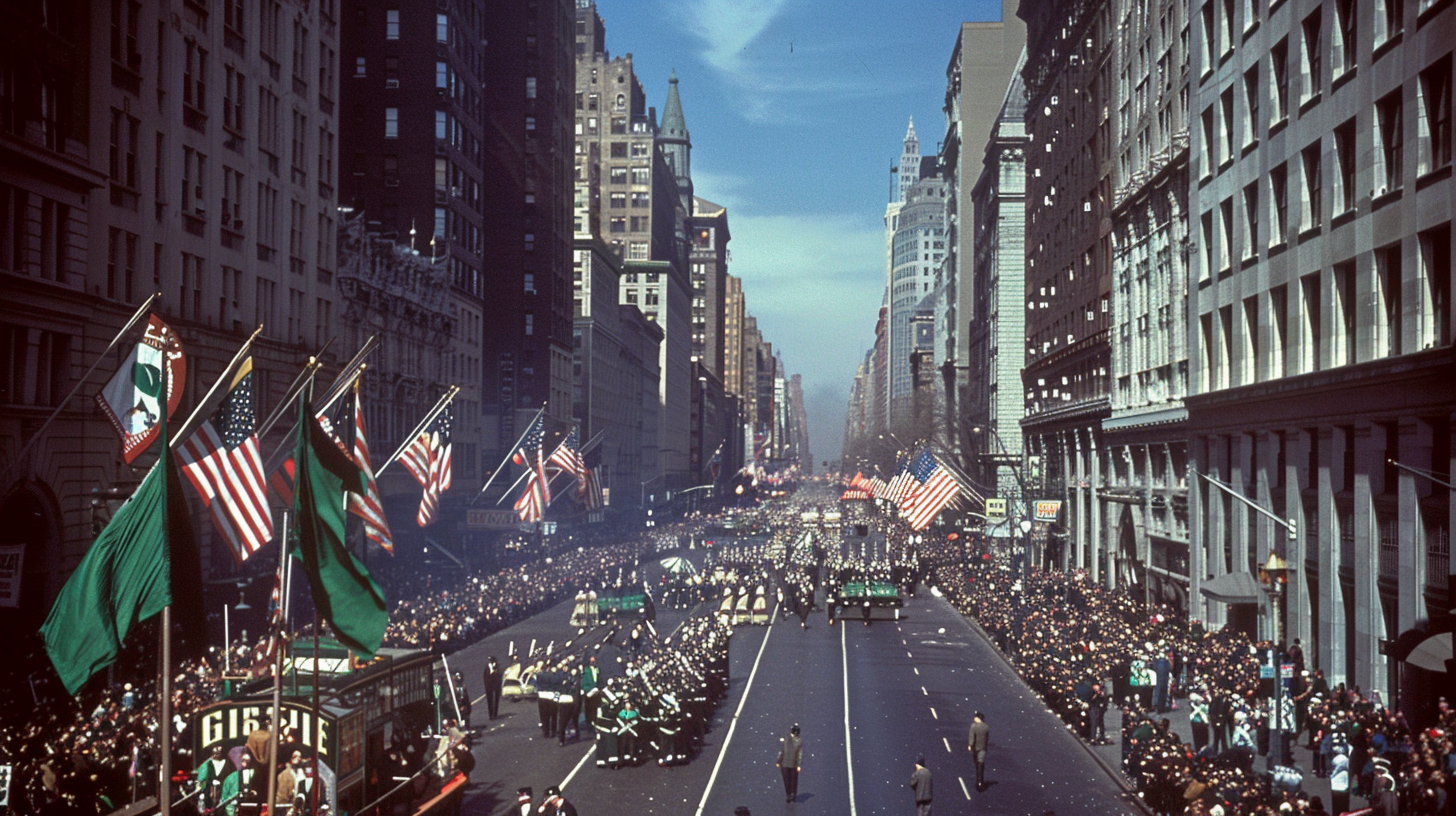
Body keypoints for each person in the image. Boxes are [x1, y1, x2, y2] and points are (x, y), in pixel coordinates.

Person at [777, 724, 803, 803]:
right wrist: (798, 765)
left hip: (785, 763)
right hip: (794, 764)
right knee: (793, 780)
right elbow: (800, 754)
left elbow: (783, 751)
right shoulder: (799, 741)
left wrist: (779, 761)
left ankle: (789, 795)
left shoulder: (787, 739)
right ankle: (792, 794)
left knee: (786, 780)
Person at [967, 712, 990, 791]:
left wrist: (970, 745)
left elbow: (971, 737)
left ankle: (978, 780)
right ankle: (981, 781)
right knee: (981, 763)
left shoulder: (973, 726)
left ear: (978, 718)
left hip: (976, 748)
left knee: (977, 763)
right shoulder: (986, 727)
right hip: (983, 748)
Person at [484, 656, 504, 720]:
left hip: (496, 687)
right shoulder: (487, 669)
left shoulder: (497, 669)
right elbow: (486, 678)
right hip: (489, 687)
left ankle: (495, 714)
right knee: (490, 701)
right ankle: (491, 715)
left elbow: (499, 676)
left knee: (496, 700)